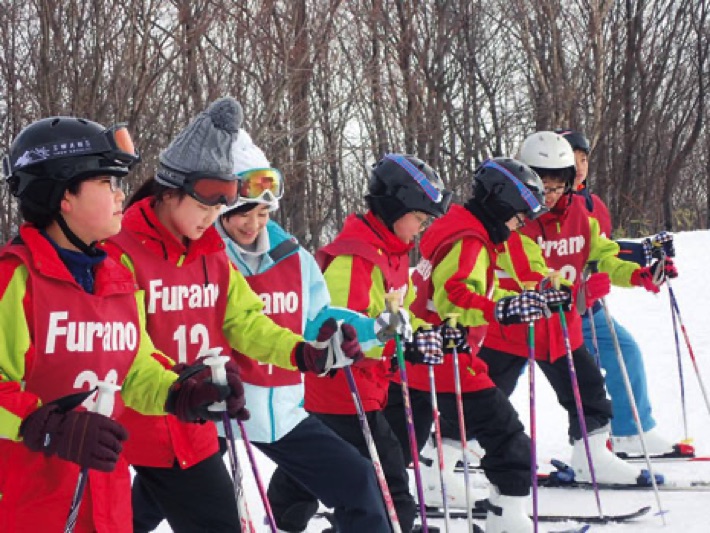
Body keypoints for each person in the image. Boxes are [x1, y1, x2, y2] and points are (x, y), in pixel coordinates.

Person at [100, 97, 364, 533]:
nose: (211, 219)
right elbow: (127, 344)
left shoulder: (210, 253)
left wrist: (302, 353)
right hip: (137, 420)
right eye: (204, 207)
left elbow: (244, 322)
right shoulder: (121, 249)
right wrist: (182, 387)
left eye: (218, 209)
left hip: (191, 426)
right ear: (169, 192)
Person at [0, 115, 247, 532]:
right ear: (64, 196)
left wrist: (182, 393)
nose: (121, 196)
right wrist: (43, 425)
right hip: (28, 505)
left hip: (105, 502)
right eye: (107, 184)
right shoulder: (15, 279)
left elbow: (134, 366)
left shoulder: (115, 277)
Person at [214, 130, 390, 532]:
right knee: (170, 505)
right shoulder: (204, 258)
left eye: (262, 213)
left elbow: (318, 317)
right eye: (243, 212)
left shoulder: (292, 256)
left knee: (357, 479)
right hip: (216, 411)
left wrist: (370, 330)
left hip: (279, 407)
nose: (253, 223)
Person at [478, 131, 669, 486]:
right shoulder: (515, 221)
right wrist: (578, 289)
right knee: (485, 392)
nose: (548, 196)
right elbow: (533, 272)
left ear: (569, 183)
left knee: (588, 389)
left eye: (556, 186)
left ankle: (591, 456)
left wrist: (640, 274)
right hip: (512, 326)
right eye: (541, 186)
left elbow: (605, 255)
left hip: (558, 328)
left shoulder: (582, 214)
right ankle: (443, 457)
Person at [295, 154, 455, 533]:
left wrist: (425, 334)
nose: (421, 229)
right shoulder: (355, 258)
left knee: (335, 471)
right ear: (395, 207)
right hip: (342, 391)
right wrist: (400, 345)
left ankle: (291, 512)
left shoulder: (394, 254)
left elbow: (402, 314)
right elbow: (340, 332)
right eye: (418, 218)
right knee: (388, 482)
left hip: (371, 386)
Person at [404, 157, 552, 533]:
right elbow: (455, 295)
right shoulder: (469, 241)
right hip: (447, 358)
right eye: (519, 215)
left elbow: (465, 286)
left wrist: (514, 296)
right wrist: (500, 309)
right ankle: (508, 520)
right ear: (502, 203)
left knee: (399, 442)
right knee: (508, 436)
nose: (521, 225)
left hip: (424, 358)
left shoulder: (460, 229)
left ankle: (372, 506)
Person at [556, 127, 681, 457]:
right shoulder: (536, 206)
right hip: (540, 311)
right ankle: (465, 437)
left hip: (585, 309)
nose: (580, 166)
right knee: (498, 369)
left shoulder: (593, 205)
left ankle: (630, 432)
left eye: (584, 159)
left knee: (625, 352)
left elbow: (604, 253)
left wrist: (646, 260)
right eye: (572, 159)